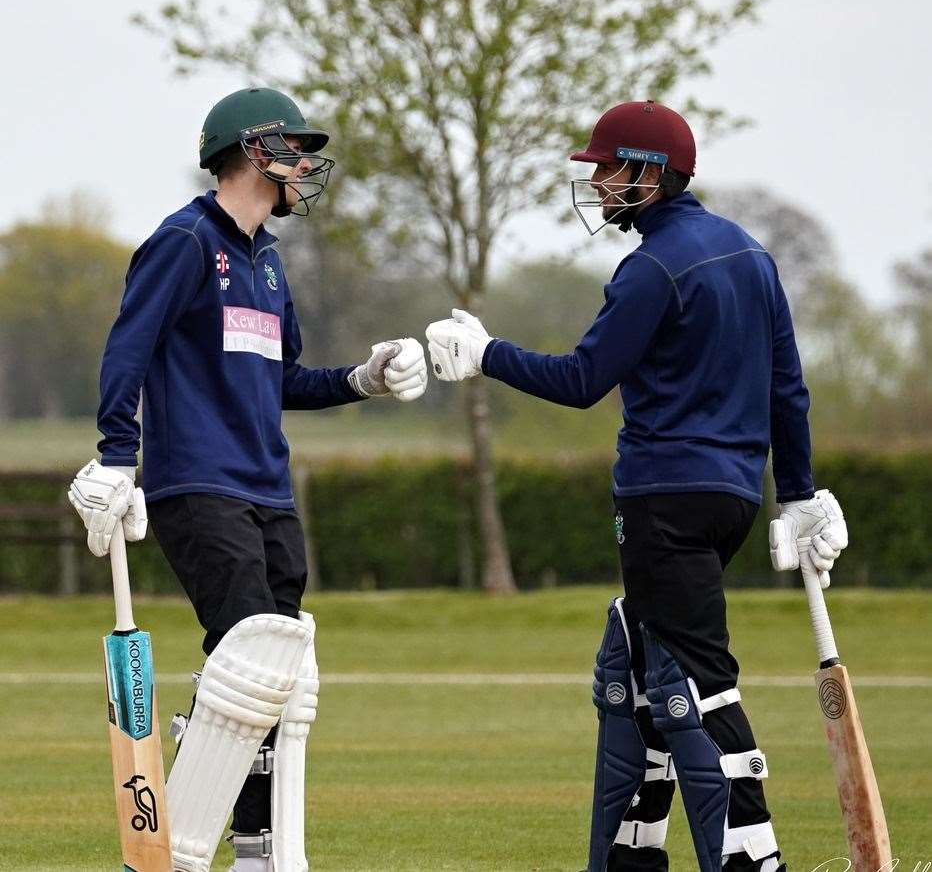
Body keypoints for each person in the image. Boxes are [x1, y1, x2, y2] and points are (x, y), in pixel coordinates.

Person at [425, 100, 848, 872]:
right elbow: (788, 388)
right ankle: (631, 855)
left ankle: (755, 857)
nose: (598, 183)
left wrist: (487, 354)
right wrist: (798, 493)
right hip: (730, 502)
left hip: (663, 503)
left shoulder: (650, 268)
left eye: (610, 169)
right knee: (633, 665)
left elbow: (584, 379)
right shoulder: (751, 255)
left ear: (652, 175)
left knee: (697, 686)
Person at [68, 87, 429, 872]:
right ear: (255, 153)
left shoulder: (267, 261)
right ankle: (220, 838)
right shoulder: (186, 244)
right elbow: (126, 351)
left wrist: (361, 380)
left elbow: (284, 380)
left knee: (271, 682)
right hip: (198, 486)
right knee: (244, 660)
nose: (308, 165)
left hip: (269, 490)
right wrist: (116, 456)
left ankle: (253, 833)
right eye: (296, 149)